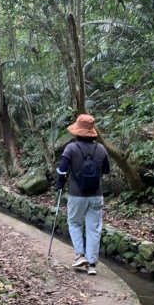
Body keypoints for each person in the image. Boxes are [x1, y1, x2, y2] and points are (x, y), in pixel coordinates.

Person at [56, 114, 110, 275]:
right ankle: (92, 264)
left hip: (76, 194)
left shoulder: (71, 148)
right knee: (94, 228)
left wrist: (60, 184)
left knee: (74, 223)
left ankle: (80, 255)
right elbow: (106, 170)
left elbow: (62, 170)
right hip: (96, 195)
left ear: (77, 131)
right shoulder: (101, 149)